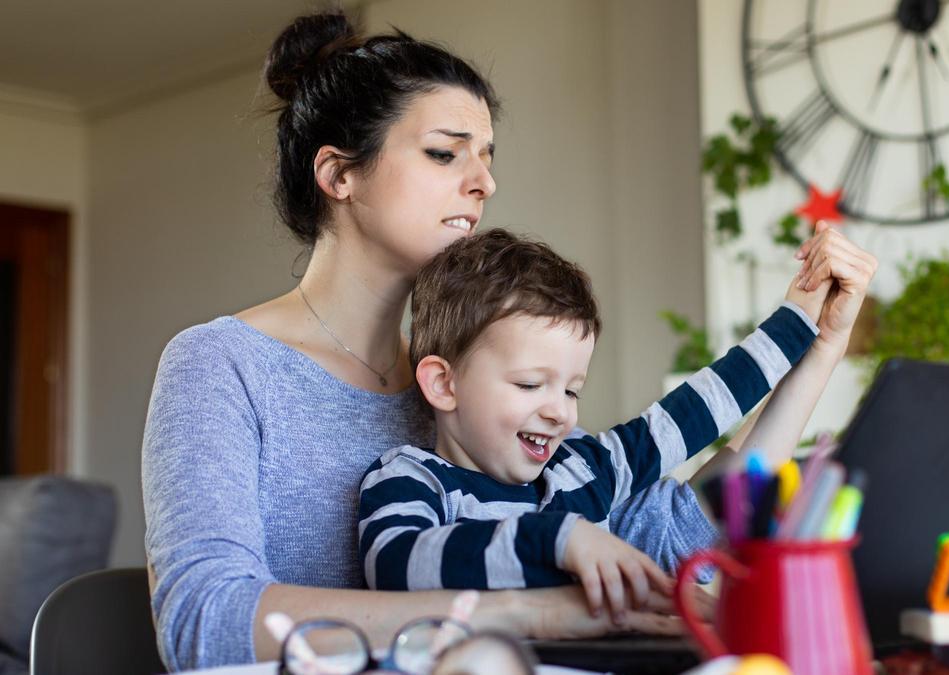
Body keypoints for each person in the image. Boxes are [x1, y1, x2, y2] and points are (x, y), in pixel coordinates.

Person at [140, 9, 877, 672]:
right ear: (338, 173)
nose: (483, 181)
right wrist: (524, 611)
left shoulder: (485, 389)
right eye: (445, 153)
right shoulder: (223, 363)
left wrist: (818, 349)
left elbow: (685, 533)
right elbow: (205, 624)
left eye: (487, 155)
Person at [358, 229, 819, 618]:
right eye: (530, 384)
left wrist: (799, 320)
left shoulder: (581, 466)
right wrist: (559, 539)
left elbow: (696, 411)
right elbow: (396, 566)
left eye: (571, 390)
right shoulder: (410, 478)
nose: (560, 411)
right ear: (444, 384)